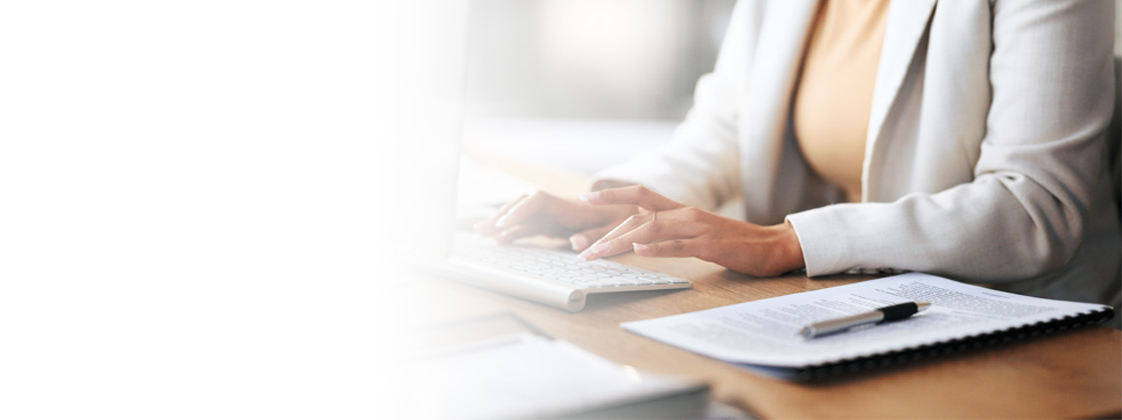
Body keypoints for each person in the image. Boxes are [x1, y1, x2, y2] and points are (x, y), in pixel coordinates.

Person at [476, 0, 1121, 312]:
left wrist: (785, 242)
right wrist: (609, 205)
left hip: (1015, 319)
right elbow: (727, 128)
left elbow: (1033, 207)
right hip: (845, 302)